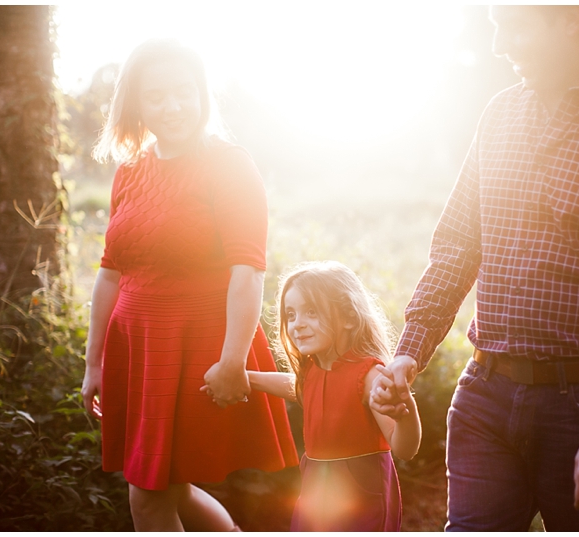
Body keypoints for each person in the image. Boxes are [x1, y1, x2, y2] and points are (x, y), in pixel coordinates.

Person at [371, 5, 579, 532]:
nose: (500, 46)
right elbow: (457, 244)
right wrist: (410, 350)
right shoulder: (499, 113)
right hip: (485, 391)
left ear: (568, 20)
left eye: (514, 27)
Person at [81, 38, 298, 532]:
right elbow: (111, 272)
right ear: (136, 103)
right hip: (138, 352)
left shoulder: (230, 163)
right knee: (170, 486)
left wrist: (232, 359)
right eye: (155, 96)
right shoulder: (130, 170)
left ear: (201, 94)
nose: (172, 106)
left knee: (149, 498)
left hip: (197, 350)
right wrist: (94, 362)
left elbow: (249, 270)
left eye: (183, 91)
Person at [207, 261, 421, 531]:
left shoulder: (371, 376)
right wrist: (244, 378)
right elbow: (295, 386)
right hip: (315, 491)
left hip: (362, 496)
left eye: (311, 311)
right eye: (291, 314)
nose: (297, 324)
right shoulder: (312, 372)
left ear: (348, 317)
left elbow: (405, 449)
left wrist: (406, 413)